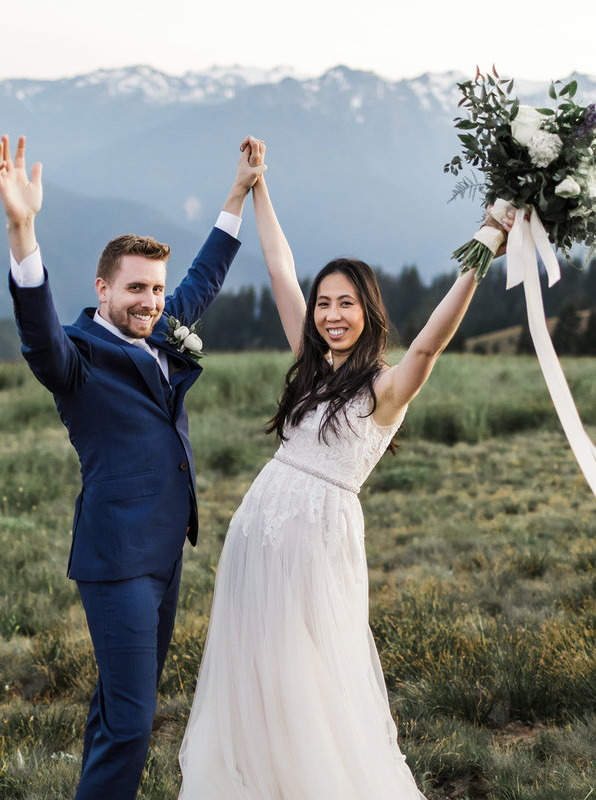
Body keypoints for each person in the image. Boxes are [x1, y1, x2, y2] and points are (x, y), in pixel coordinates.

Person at [177, 157, 513, 799]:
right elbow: (279, 267)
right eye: (324, 303)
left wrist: (487, 242)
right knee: (258, 671)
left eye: (345, 304)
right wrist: (260, 188)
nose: (331, 314)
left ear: (368, 311)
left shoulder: (385, 388)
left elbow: (429, 345)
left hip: (316, 541)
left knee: (308, 673)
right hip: (256, 535)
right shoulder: (309, 366)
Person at [0, 133, 266, 800]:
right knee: (135, 724)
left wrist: (237, 194)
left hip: (166, 554)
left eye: (155, 289)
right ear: (102, 288)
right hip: (118, 563)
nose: (150, 301)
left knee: (118, 710)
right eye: (135, 289)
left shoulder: (159, 326)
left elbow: (201, 280)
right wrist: (23, 230)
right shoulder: (77, 358)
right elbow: (38, 336)